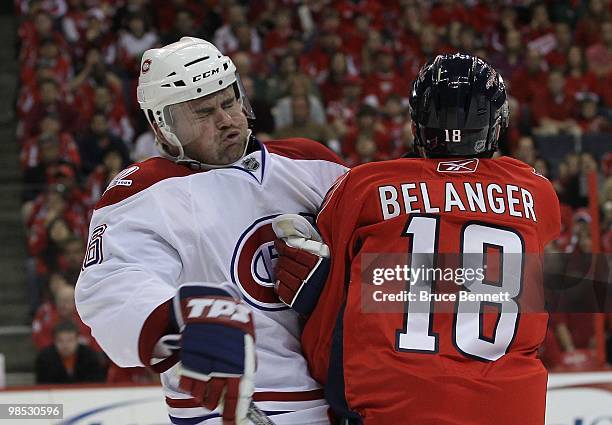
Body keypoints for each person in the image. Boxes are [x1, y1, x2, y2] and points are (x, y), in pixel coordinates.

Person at [272, 54, 561, 424]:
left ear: (416, 122)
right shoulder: (535, 190)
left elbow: (332, 304)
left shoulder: (365, 184)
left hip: (400, 404)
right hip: (513, 406)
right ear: (497, 124)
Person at [75, 37, 347, 425]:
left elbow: (385, 259)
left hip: (340, 399)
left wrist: (338, 280)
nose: (226, 120)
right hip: (227, 409)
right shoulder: (144, 192)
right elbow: (111, 285)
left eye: (229, 101)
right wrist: (175, 317)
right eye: (202, 113)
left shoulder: (312, 164)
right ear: (162, 126)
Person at [35, 321, 106, 384]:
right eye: (60, 340)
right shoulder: (45, 359)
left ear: (77, 340)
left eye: (70, 340)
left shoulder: (90, 356)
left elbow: (96, 383)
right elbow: (43, 385)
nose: (65, 345)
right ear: (54, 341)